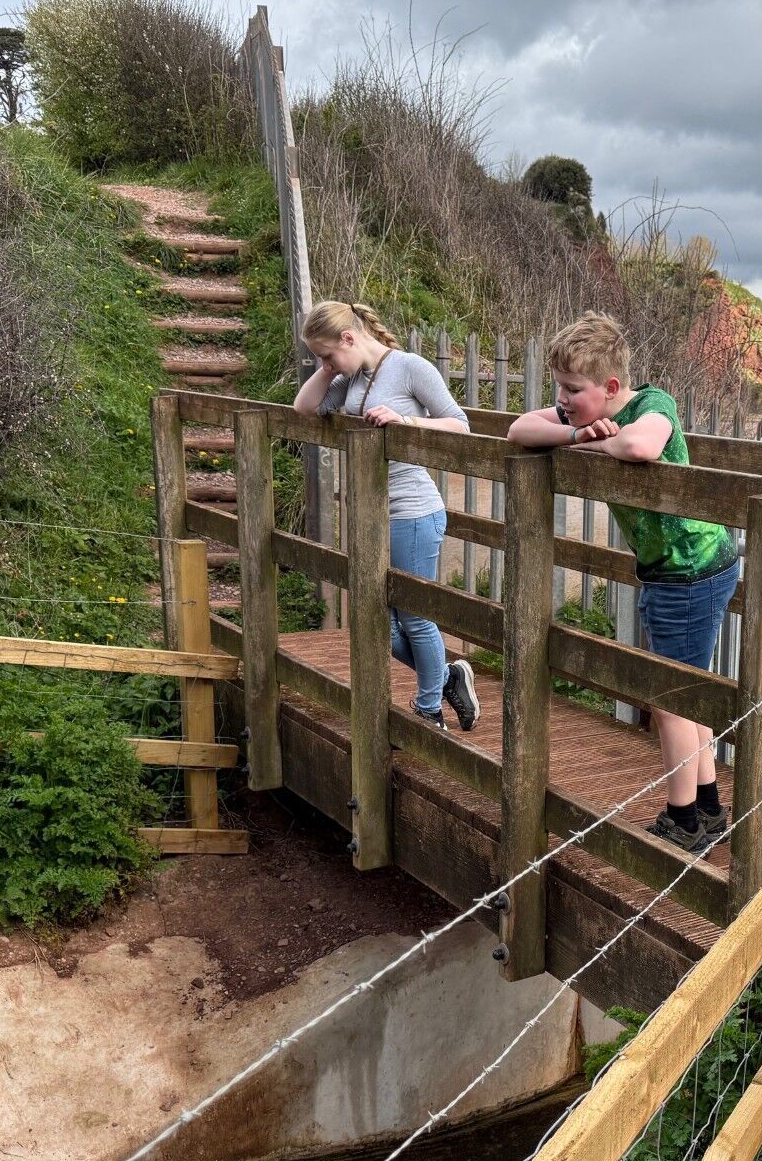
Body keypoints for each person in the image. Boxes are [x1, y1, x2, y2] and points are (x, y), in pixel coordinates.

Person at [506, 313, 739, 854]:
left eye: (572, 390)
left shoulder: (653, 404)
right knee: (689, 690)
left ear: (610, 388)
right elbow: (518, 430)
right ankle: (707, 809)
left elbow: (640, 447)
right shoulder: (585, 413)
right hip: (682, 571)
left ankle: (683, 821)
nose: (562, 398)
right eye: (559, 388)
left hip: (689, 570)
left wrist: (589, 443)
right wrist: (574, 432)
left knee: (671, 700)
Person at [293, 300, 479, 732]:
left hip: (413, 511)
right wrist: (328, 369)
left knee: (414, 616)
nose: (326, 364)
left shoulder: (410, 367)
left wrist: (405, 421)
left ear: (348, 337)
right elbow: (305, 407)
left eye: (328, 354)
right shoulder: (351, 377)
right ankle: (447, 677)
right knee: (380, 619)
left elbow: (460, 424)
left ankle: (429, 709)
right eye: (320, 358)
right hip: (374, 514)